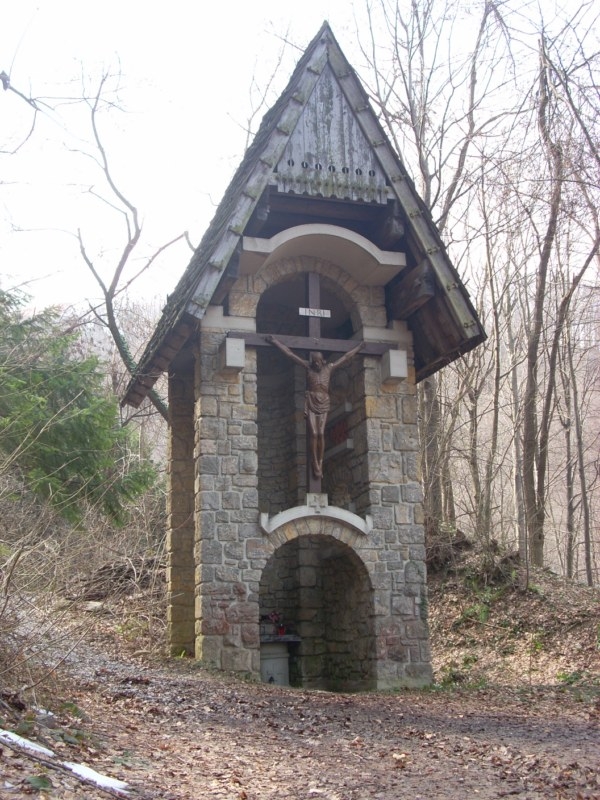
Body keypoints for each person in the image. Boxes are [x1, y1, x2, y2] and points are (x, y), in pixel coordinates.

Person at [266, 335, 364, 479]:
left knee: (321, 434)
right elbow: (290, 354)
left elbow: (346, 357)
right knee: (314, 433)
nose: (316, 364)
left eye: (318, 361)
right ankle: (315, 462)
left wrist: (359, 347)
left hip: (324, 401)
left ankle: (320, 461)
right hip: (312, 401)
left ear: (322, 361)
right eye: (314, 362)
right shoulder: (308, 367)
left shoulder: (329, 368)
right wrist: (275, 341)